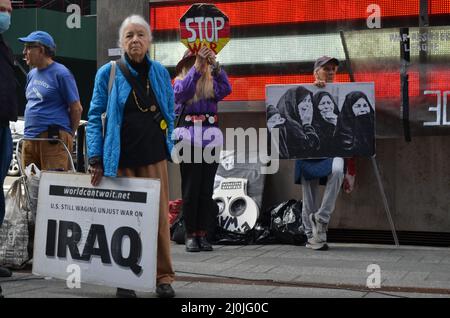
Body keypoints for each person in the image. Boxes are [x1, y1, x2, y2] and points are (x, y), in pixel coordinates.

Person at [86, 14, 175, 298]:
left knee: (160, 220)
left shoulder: (160, 72)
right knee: (124, 223)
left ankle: (163, 277)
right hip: (119, 161)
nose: (135, 40)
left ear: (149, 41)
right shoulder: (108, 73)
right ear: (122, 42)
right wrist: (95, 158)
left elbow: (170, 111)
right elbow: (93, 116)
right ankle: (125, 278)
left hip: (154, 158)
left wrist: (169, 142)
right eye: (129, 36)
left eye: (140, 34)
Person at [173, 46, 231, 252]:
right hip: (188, 140)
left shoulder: (212, 87)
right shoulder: (180, 84)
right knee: (191, 189)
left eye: (199, 63)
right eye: (191, 63)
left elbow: (227, 88)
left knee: (206, 190)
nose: (197, 66)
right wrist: (196, 68)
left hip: (211, 140)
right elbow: (182, 94)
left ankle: (202, 234)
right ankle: (190, 234)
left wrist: (215, 65)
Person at [294, 56, 345, 251]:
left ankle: (321, 218)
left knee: (338, 170)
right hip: (309, 150)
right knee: (309, 193)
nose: (331, 72)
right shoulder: (308, 95)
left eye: (333, 69)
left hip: (332, 150)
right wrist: (314, 87)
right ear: (316, 72)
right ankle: (312, 236)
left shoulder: (339, 96)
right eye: (326, 68)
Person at [19, 31, 82, 171]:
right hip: (29, 138)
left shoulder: (62, 73)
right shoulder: (31, 74)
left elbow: (76, 108)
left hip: (53, 139)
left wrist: (68, 135)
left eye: (28, 47)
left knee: (52, 187)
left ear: (41, 50)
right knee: (30, 187)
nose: (24, 52)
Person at [0, 0, 15, 288]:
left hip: (3, 126)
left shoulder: (3, 46)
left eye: (11, 11)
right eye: (2, 8)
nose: (6, 15)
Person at [276, 86, 319, 158]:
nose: (308, 105)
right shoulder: (286, 127)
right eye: (304, 101)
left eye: (309, 101)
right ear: (293, 104)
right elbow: (308, 149)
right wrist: (307, 124)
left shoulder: (307, 121)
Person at [335, 91, 375, 156]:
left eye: (365, 105)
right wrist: (360, 123)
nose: (362, 109)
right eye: (358, 106)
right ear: (349, 109)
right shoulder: (343, 130)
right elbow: (353, 150)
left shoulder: (373, 123)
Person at [311, 91, 339, 157]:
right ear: (315, 107)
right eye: (322, 104)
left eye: (329, 103)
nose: (326, 106)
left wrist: (336, 123)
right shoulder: (311, 125)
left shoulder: (339, 119)